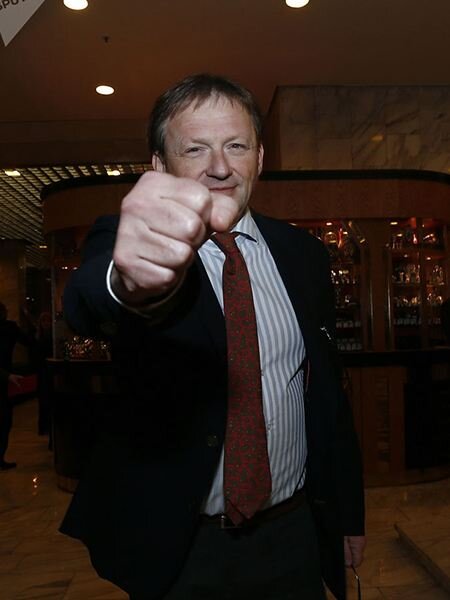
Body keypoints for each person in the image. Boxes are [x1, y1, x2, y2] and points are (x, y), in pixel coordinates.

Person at [61, 74, 366, 600]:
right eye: (195, 148)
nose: (220, 167)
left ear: (260, 158)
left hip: (292, 533)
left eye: (236, 146)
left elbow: (326, 399)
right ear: (160, 166)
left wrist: (347, 514)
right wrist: (129, 281)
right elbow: (89, 300)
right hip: (182, 547)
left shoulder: (304, 255)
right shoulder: (128, 240)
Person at [0, 301, 31, 470]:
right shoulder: (10, 328)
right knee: (5, 422)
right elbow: (29, 341)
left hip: (6, 378)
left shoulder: (10, 328)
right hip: (5, 379)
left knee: (5, 421)